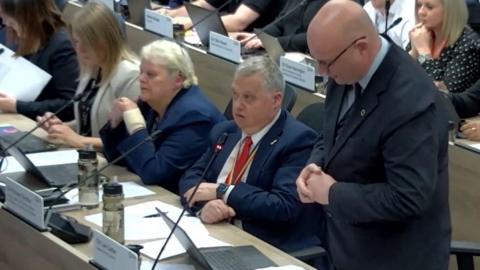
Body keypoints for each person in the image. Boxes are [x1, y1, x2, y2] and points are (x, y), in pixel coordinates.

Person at [297, 1, 451, 269]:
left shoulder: (411, 101)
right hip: (344, 247)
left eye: (326, 63)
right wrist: (315, 164)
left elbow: (408, 197)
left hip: (394, 258)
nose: (322, 72)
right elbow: (332, 133)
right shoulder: (342, 68)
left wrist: (332, 194)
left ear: (361, 47)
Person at [179, 56, 323, 253]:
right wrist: (206, 206)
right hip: (214, 233)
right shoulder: (225, 131)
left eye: (248, 98)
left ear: (276, 100)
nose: (237, 105)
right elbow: (191, 179)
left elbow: (283, 206)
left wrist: (224, 192)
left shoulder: (298, 140)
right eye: (235, 95)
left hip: (262, 244)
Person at [100, 39, 224, 193]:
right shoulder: (152, 103)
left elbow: (154, 173)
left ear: (178, 79)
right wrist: (116, 123)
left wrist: (135, 124)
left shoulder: (194, 117)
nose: (141, 78)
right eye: (141, 72)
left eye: (150, 74)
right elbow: (115, 157)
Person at [36, 2, 140, 150]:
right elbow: (89, 121)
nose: (80, 49)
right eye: (77, 41)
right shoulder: (92, 69)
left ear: (107, 40)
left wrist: (79, 140)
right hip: (84, 155)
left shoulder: (131, 75)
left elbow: (133, 143)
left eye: (88, 42)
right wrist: (60, 127)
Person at [0, 0, 78, 121]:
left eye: (13, 22)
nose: (7, 25)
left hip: (41, 123)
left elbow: (69, 106)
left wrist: (16, 106)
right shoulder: (10, 34)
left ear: (33, 18)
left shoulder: (62, 45)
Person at [408, 0, 480, 93]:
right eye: (419, 5)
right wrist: (414, 53)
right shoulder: (422, 35)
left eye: (429, 7)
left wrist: (423, 52)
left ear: (450, 11)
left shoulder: (468, 44)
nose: (420, 12)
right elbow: (399, 76)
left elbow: (442, 94)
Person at [234, 0, 327, 53]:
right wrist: (259, 36)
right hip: (279, 53)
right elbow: (280, 22)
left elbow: (316, 38)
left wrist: (275, 42)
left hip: (307, 63)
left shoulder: (334, 4)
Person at [158, 0, 286, 32]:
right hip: (226, 37)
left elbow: (239, 22)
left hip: (251, 45)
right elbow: (205, 4)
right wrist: (168, 14)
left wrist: (191, 23)